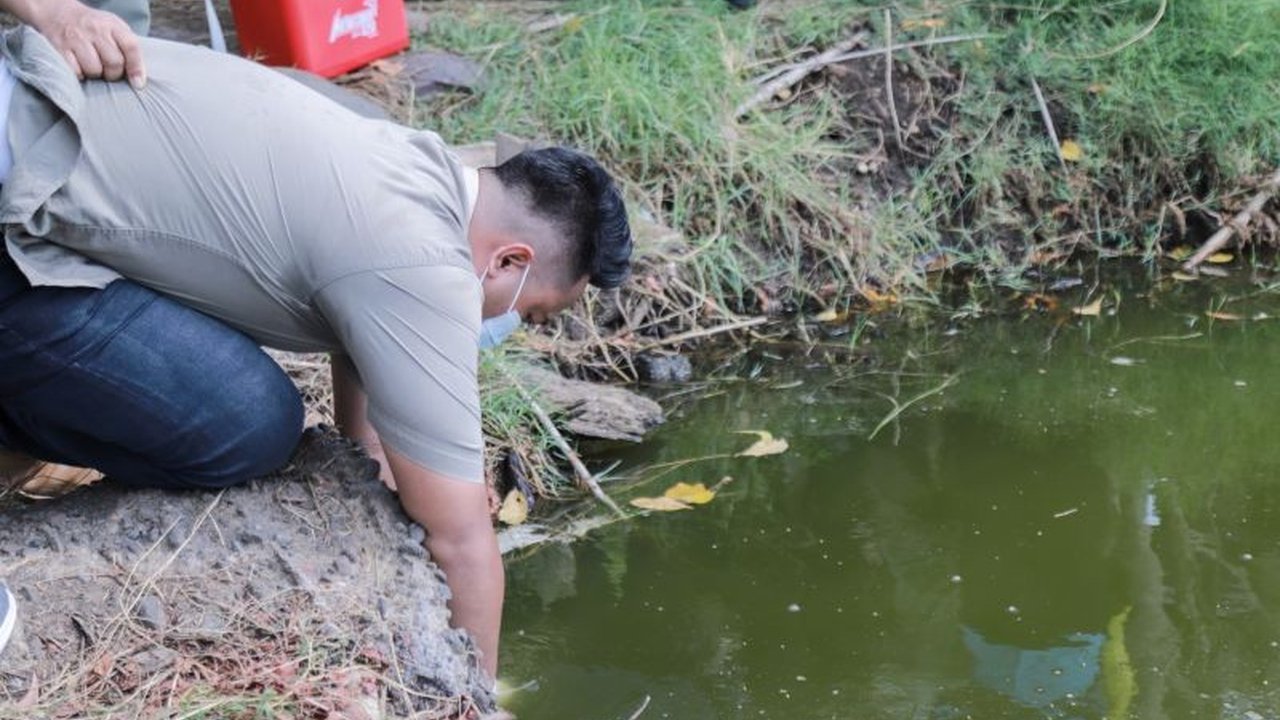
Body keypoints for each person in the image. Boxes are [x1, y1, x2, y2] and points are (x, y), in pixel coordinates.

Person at [0, 21, 632, 698]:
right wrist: (475, 696)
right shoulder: (426, 266)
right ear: (510, 260)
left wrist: (369, 456)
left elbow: (363, 328)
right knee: (248, 419)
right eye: (530, 312)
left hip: (28, 99)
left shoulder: (403, 156)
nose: (511, 324)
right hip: (17, 211)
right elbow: (462, 541)